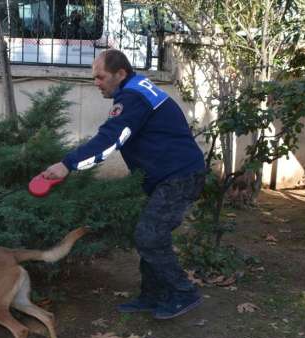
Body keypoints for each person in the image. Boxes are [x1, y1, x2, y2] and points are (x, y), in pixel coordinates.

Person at [39, 49, 206, 319]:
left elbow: (110, 140)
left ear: (120, 73)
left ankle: (182, 293)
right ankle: (152, 296)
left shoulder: (132, 97)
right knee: (150, 235)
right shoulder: (135, 90)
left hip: (180, 177)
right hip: (169, 175)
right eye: (94, 77)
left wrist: (66, 165)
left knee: (149, 236)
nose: (96, 83)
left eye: (101, 77)